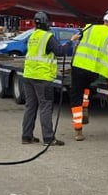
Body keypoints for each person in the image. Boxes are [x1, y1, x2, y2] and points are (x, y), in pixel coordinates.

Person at [68, 8, 108, 141]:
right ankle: (85, 108)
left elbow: (74, 38)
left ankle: (78, 131)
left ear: (105, 19)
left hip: (78, 66)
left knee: (76, 96)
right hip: (93, 70)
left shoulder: (90, 28)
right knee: (87, 87)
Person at [21, 11, 72, 147]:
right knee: (45, 107)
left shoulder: (33, 36)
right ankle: (48, 138)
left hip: (28, 76)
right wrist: (71, 42)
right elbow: (60, 51)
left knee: (30, 107)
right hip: (42, 78)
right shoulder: (48, 37)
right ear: (46, 22)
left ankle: (26, 136)